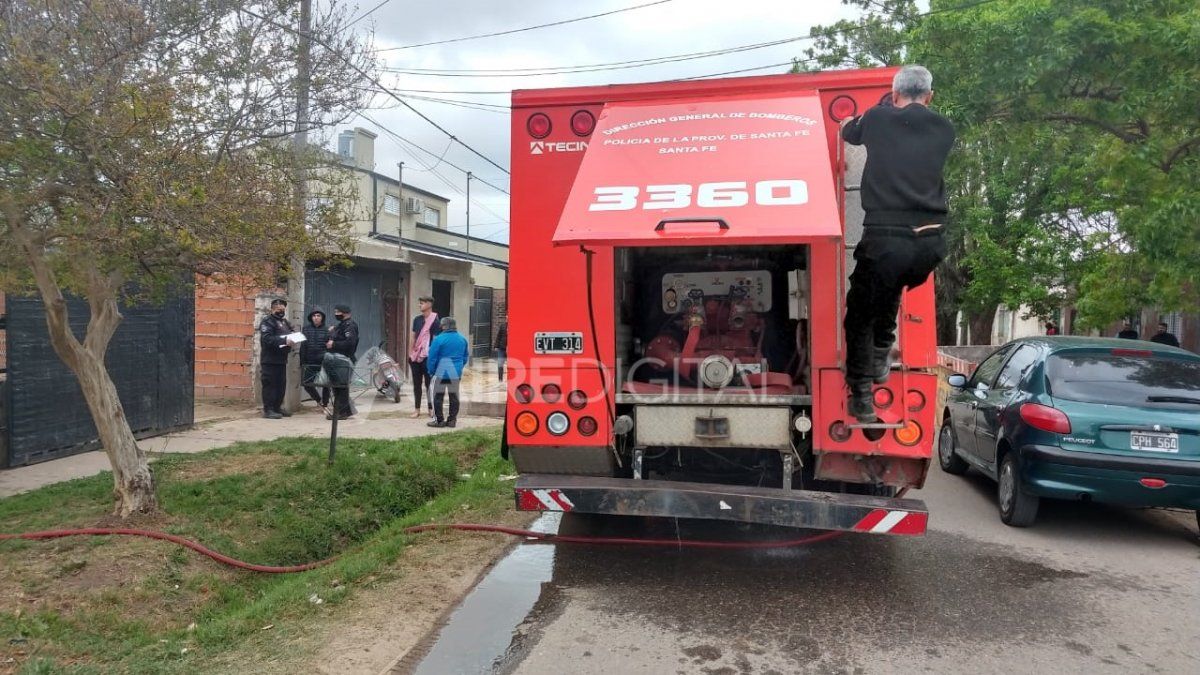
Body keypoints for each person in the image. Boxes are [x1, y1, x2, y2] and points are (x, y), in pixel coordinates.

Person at [840, 64, 956, 422]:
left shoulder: (877, 118)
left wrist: (881, 106)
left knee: (859, 314)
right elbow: (913, 125)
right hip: (930, 245)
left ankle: (861, 393)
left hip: (888, 239)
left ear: (894, 95)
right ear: (930, 97)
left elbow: (849, 132)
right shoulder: (945, 129)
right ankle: (880, 357)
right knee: (890, 288)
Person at [427, 316, 470, 428]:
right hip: (455, 373)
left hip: (440, 373)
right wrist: (459, 367)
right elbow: (465, 357)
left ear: (444, 326)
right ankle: (452, 421)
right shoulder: (462, 339)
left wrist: (432, 371)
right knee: (454, 397)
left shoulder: (438, 339)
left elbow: (432, 358)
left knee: (437, 397)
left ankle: (439, 420)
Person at [259, 298, 296, 419]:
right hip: (269, 359)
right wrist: (284, 340)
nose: (281, 312)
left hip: (281, 359)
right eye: (279, 309)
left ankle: (277, 407)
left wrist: (293, 337)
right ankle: (268, 409)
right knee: (270, 384)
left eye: (283, 310)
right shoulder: (267, 322)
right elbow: (267, 339)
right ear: (273, 309)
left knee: (281, 385)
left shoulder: (284, 322)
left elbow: (290, 332)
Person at [408, 295, 441, 419]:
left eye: (422, 303)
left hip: (428, 357)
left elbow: (436, 341)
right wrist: (410, 353)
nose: (419, 305)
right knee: (416, 384)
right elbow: (413, 337)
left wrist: (434, 358)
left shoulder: (436, 321)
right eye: (419, 303)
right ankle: (417, 409)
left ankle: (430, 408)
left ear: (429, 304)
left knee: (429, 384)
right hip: (416, 356)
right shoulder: (417, 319)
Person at [325, 304, 360, 420]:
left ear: (345, 313)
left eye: (338, 312)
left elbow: (350, 343)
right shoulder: (341, 325)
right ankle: (346, 411)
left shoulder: (350, 326)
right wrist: (332, 331)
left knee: (341, 387)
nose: (336, 314)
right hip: (338, 359)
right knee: (339, 387)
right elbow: (337, 336)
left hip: (344, 360)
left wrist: (334, 344)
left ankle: (342, 412)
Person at [300, 306, 330, 409]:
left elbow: (330, 347)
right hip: (310, 361)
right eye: (314, 315)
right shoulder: (306, 329)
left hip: (323, 361)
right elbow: (303, 346)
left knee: (326, 384)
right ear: (311, 317)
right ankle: (319, 400)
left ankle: (325, 404)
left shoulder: (327, 330)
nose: (316, 318)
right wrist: (302, 361)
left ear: (322, 317)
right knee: (307, 383)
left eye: (318, 315)